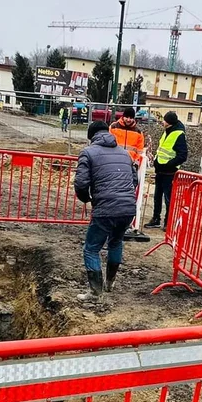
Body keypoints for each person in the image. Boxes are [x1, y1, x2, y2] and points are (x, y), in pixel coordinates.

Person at [74, 121, 139, 300]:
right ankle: (109, 283)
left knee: (91, 249)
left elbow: (81, 183)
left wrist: (87, 198)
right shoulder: (125, 154)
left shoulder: (88, 153)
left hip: (106, 208)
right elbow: (134, 180)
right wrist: (124, 196)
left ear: (91, 137)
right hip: (127, 208)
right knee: (116, 243)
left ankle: (95, 292)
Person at [145, 111, 188, 229]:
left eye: (164, 120)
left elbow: (182, 155)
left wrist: (169, 165)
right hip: (161, 171)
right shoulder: (167, 132)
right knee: (157, 197)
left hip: (169, 173)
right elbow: (162, 149)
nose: (162, 122)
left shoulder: (178, 134)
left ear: (168, 123)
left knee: (168, 199)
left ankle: (168, 222)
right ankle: (156, 218)